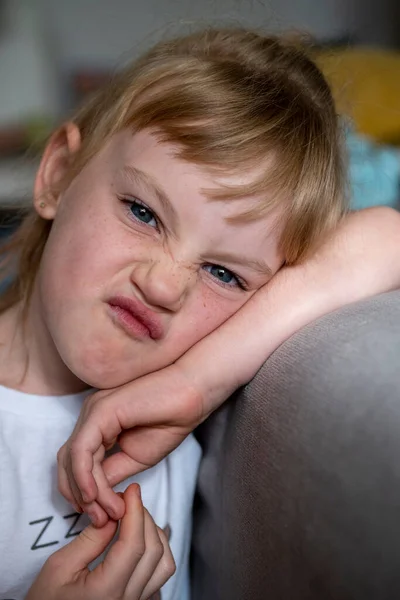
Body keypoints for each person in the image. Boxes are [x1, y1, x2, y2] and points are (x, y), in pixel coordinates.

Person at [1, 26, 400, 600]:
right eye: (143, 212)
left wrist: (196, 381)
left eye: (224, 273)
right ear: (59, 173)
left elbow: (385, 239)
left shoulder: (181, 398)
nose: (164, 286)